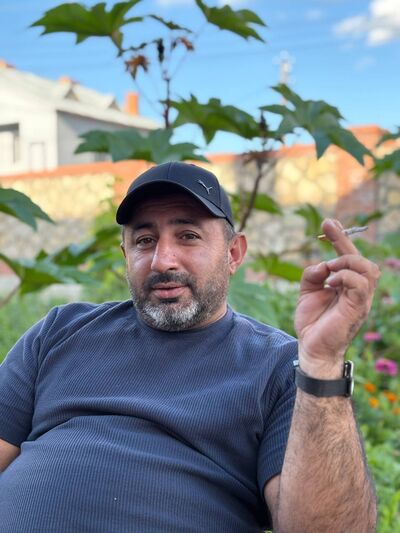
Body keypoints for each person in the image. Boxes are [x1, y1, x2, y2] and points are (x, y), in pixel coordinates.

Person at [0, 161, 379, 532]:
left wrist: (323, 362)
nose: (162, 261)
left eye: (188, 236)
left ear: (233, 254)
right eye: (144, 241)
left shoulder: (281, 367)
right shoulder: (61, 330)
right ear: (126, 255)